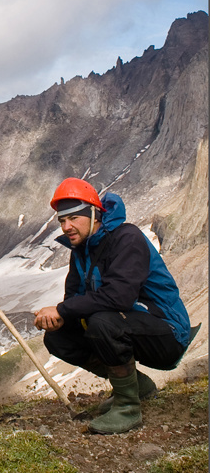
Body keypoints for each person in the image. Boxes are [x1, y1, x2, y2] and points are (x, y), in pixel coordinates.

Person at [34, 178, 194, 434]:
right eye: (62, 220)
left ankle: (128, 408)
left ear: (94, 214)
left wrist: (63, 310)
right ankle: (136, 387)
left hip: (168, 333)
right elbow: (74, 299)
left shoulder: (127, 238)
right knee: (58, 337)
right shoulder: (80, 250)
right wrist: (58, 319)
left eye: (74, 217)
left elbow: (117, 298)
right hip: (129, 326)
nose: (66, 226)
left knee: (102, 322)